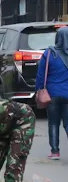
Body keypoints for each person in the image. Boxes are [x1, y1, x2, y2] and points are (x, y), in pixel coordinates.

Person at [36, 26, 68, 160]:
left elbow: (41, 75)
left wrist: (38, 90)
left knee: (53, 122)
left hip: (52, 94)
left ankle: (55, 152)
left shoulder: (49, 53)